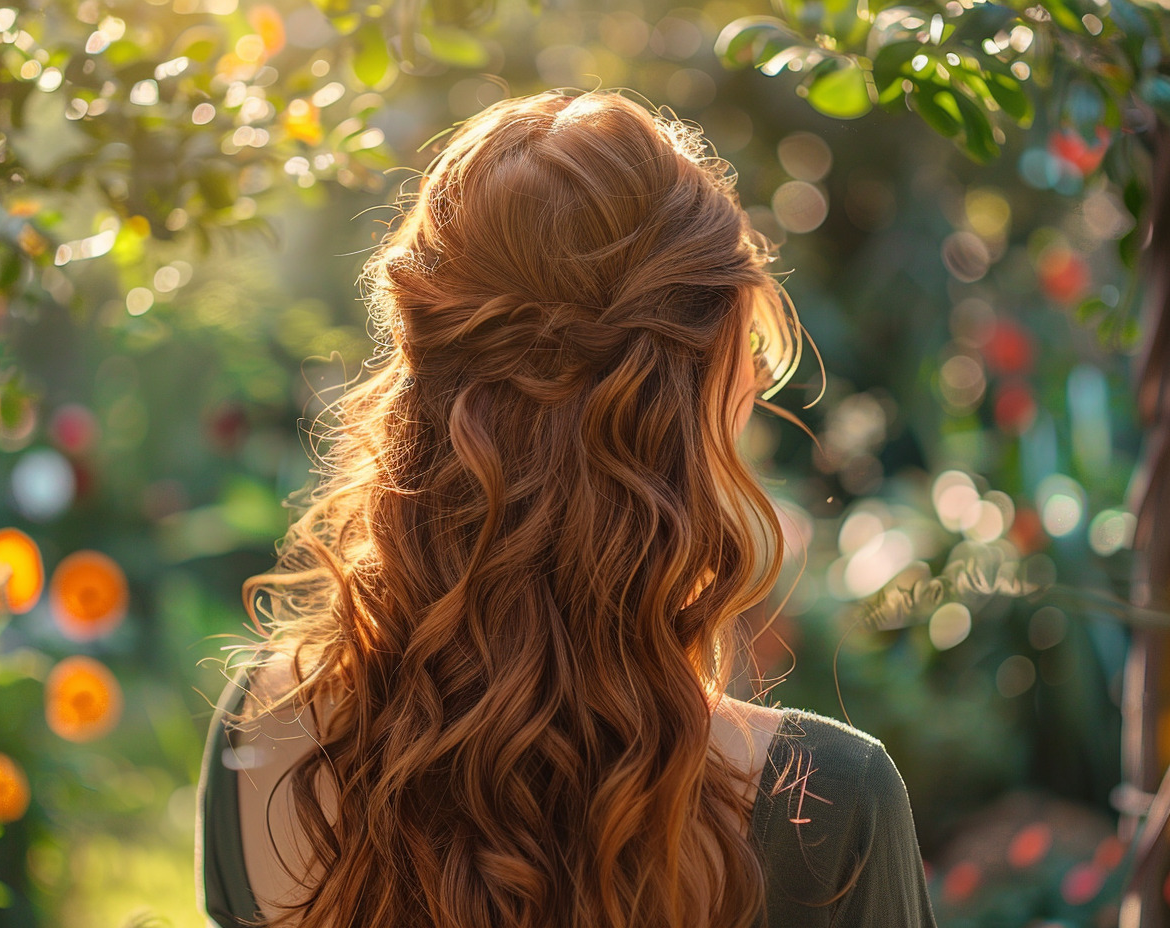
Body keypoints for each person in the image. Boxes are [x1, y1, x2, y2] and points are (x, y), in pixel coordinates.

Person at [195, 89, 937, 928]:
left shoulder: (260, 734)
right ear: (689, 415)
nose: (757, 388)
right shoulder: (827, 807)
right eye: (746, 361)